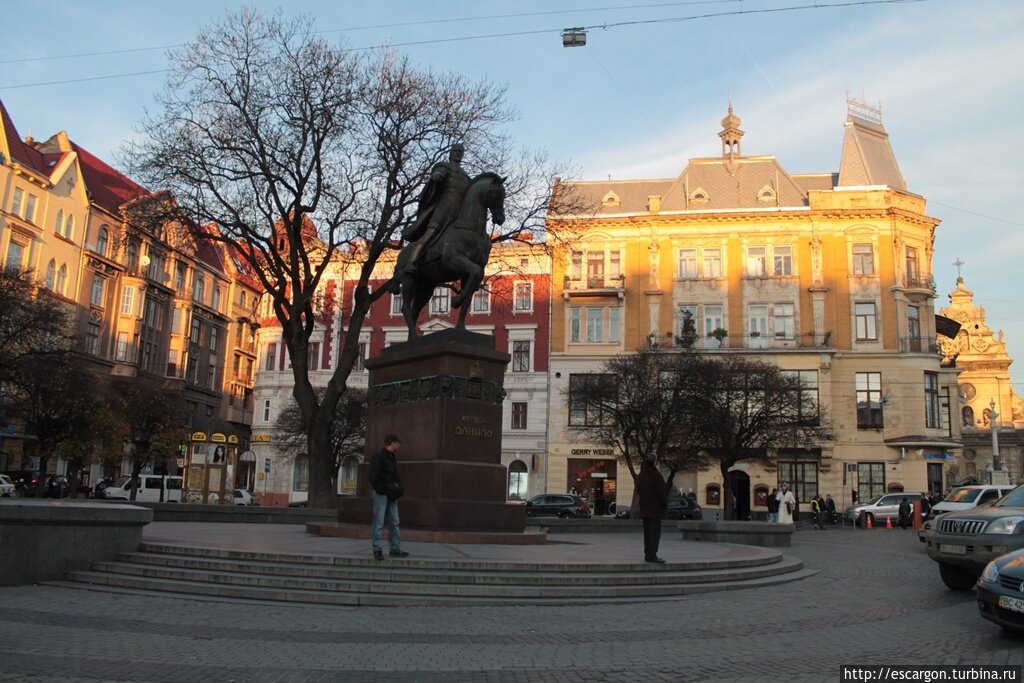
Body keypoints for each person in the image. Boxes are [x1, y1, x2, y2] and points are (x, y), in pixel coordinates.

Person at [401, 143, 472, 278]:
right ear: (450, 153)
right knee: (430, 233)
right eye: (455, 151)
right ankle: (411, 261)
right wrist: (437, 176)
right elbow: (437, 173)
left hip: (458, 212)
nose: (457, 153)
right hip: (444, 207)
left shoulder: (466, 176)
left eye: (460, 152)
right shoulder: (444, 167)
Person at [368, 434, 409, 561]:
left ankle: (395, 547)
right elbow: (373, 477)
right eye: (397, 443)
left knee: (395, 522)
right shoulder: (379, 457)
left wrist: (397, 488)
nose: (399, 445)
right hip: (382, 494)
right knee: (379, 522)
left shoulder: (392, 457)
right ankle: (377, 549)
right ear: (391, 443)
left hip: (391, 494)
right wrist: (382, 489)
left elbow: (394, 476)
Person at [635, 452, 668, 563]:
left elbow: (638, 490)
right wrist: (664, 505)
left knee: (647, 533)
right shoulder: (656, 475)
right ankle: (652, 555)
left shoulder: (642, 475)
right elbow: (661, 493)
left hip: (645, 509)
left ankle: (648, 554)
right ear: (654, 461)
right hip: (654, 509)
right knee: (654, 533)